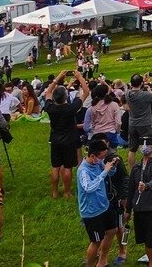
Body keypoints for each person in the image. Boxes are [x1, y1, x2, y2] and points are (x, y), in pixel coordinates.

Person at [78, 138, 122, 267]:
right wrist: (104, 171)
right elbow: (89, 188)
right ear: (92, 156)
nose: (103, 159)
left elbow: (110, 173)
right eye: (101, 157)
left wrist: (113, 166)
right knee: (96, 241)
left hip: (104, 206)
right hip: (91, 212)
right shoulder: (83, 171)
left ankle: (102, 261)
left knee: (112, 230)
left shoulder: (98, 163)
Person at [44, 71, 87, 200]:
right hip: (69, 140)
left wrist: (58, 78)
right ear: (65, 97)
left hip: (55, 139)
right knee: (67, 167)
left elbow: (47, 93)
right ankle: (67, 192)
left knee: (55, 166)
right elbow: (86, 92)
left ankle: (55, 192)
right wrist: (80, 77)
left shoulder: (50, 107)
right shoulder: (71, 108)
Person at [128, 135, 152, 267]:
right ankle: (151, 263)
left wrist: (146, 186)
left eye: (148, 144)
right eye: (142, 144)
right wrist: (128, 209)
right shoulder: (136, 167)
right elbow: (130, 189)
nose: (144, 146)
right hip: (139, 209)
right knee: (146, 242)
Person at [124, 75, 152, 169]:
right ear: (141, 83)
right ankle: (147, 167)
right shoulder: (144, 95)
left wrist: (143, 82)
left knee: (132, 149)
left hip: (132, 123)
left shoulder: (127, 93)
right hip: (144, 124)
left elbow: (135, 88)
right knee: (149, 146)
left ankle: (132, 170)